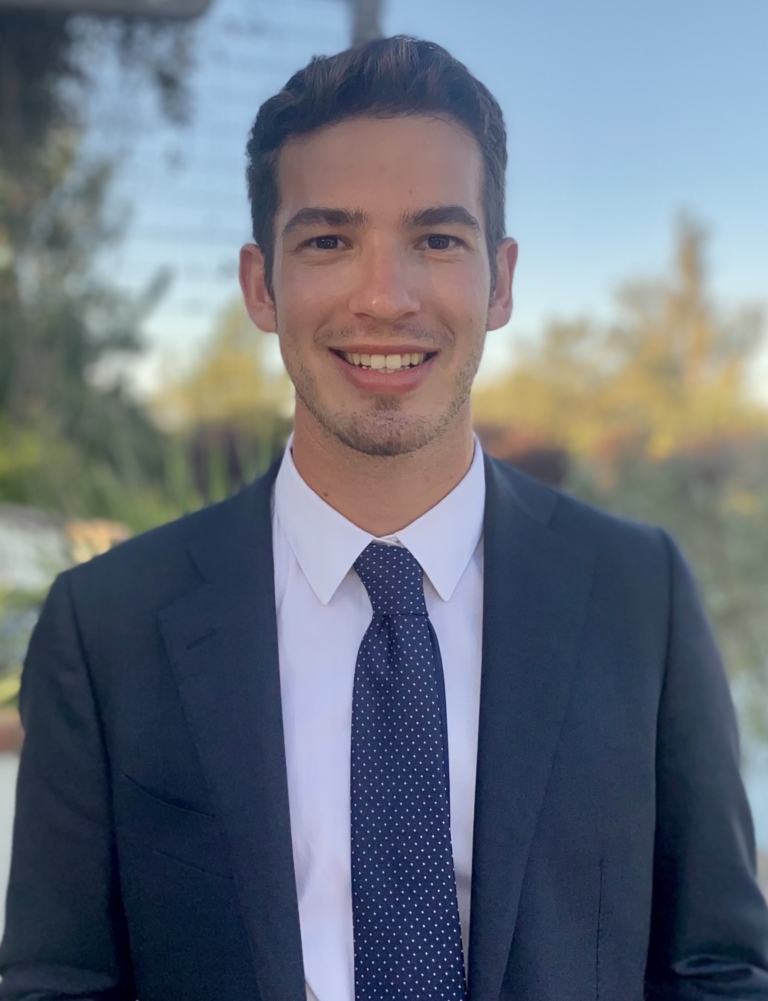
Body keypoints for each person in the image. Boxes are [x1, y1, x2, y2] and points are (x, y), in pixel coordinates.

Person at [1, 35, 767, 1001]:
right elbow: (55, 981)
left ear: (500, 281)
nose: (383, 296)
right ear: (260, 285)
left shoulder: (639, 594)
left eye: (437, 238)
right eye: (328, 240)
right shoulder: (105, 627)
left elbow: (719, 966)